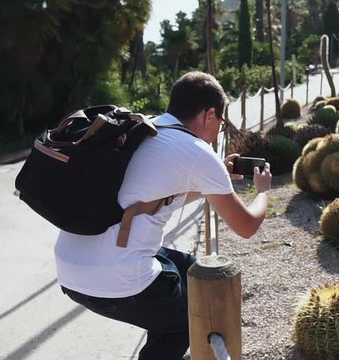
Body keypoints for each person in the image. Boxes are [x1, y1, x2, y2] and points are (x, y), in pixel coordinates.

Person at [54, 71, 272, 359]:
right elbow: (246, 226)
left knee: (195, 272)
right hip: (113, 280)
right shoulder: (196, 152)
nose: (219, 130)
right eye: (221, 123)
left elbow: (154, 199)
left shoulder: (142, 130)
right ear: (209, 115)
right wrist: (263, 191)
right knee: (192, 315)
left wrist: (218, 180)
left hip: (69, 268)